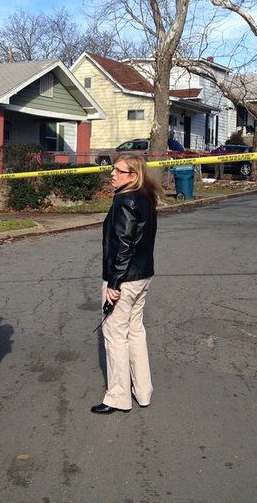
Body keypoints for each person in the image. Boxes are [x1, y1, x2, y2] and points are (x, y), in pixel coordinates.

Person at [92, 154, 160, 415]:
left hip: (126, 278)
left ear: (133, 175)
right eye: (113, 169)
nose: (112, 174)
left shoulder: (125, 200)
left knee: (114, 335)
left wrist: (114, 283)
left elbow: (122, 245)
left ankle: (118, 396)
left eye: (118, 171)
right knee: (135, 331)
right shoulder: (145, 197)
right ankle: (143, 391)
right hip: (143, 276)